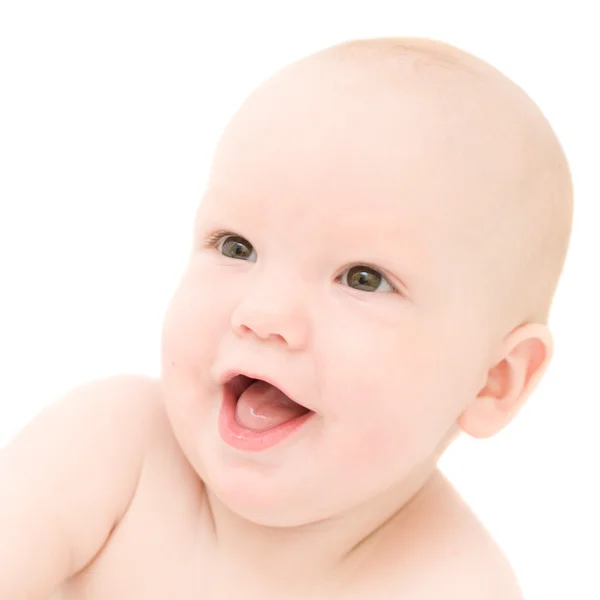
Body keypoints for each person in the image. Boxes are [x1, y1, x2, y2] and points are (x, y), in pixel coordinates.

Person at [0, 36, 573, 599]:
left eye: (362, 278)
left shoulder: (453, 586)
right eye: (236, 246)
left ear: (494, 379)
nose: (263, 313)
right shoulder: (114, 448)